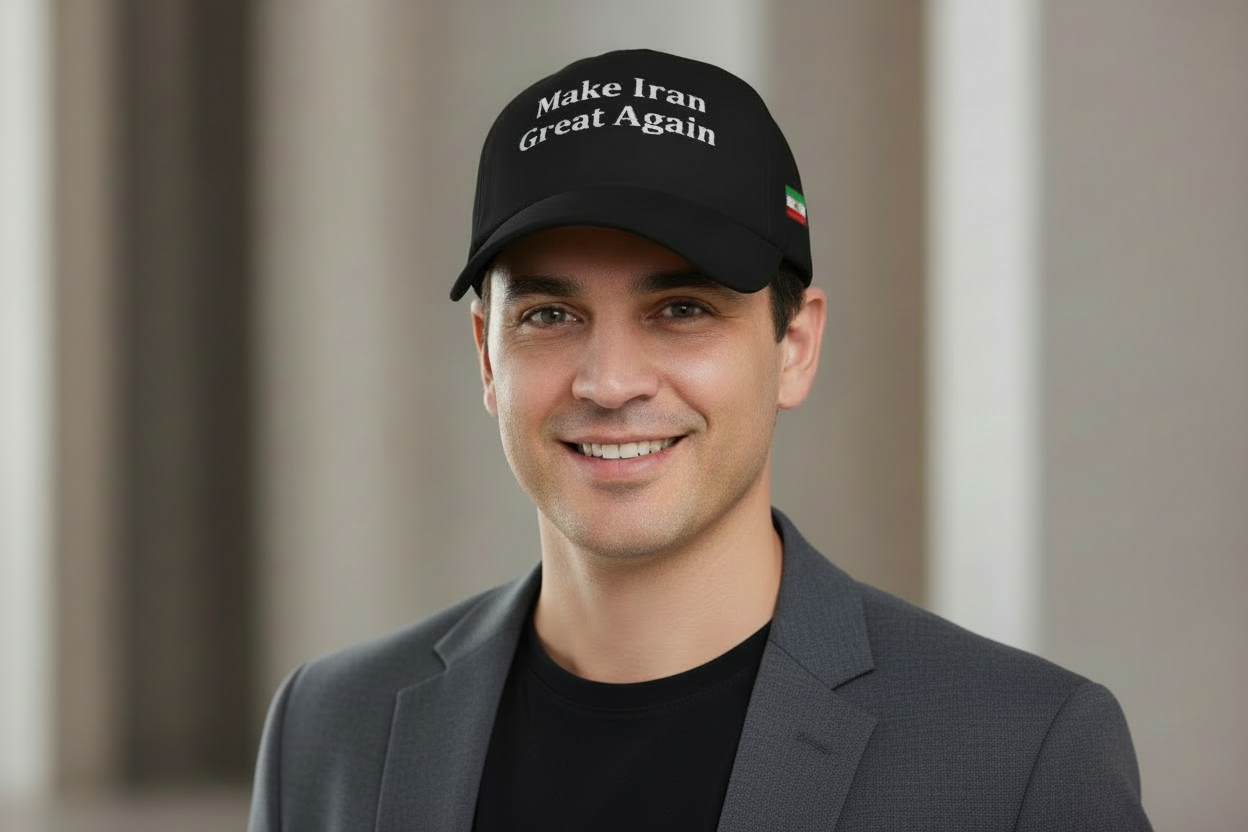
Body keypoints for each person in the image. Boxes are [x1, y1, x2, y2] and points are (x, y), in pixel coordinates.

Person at [247, 49, 1152, 831]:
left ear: (793, 348)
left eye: (681, 310)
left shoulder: (1020, 757)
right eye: (551, 314)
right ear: (487, 358)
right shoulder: (329, 731)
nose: (609, 381)